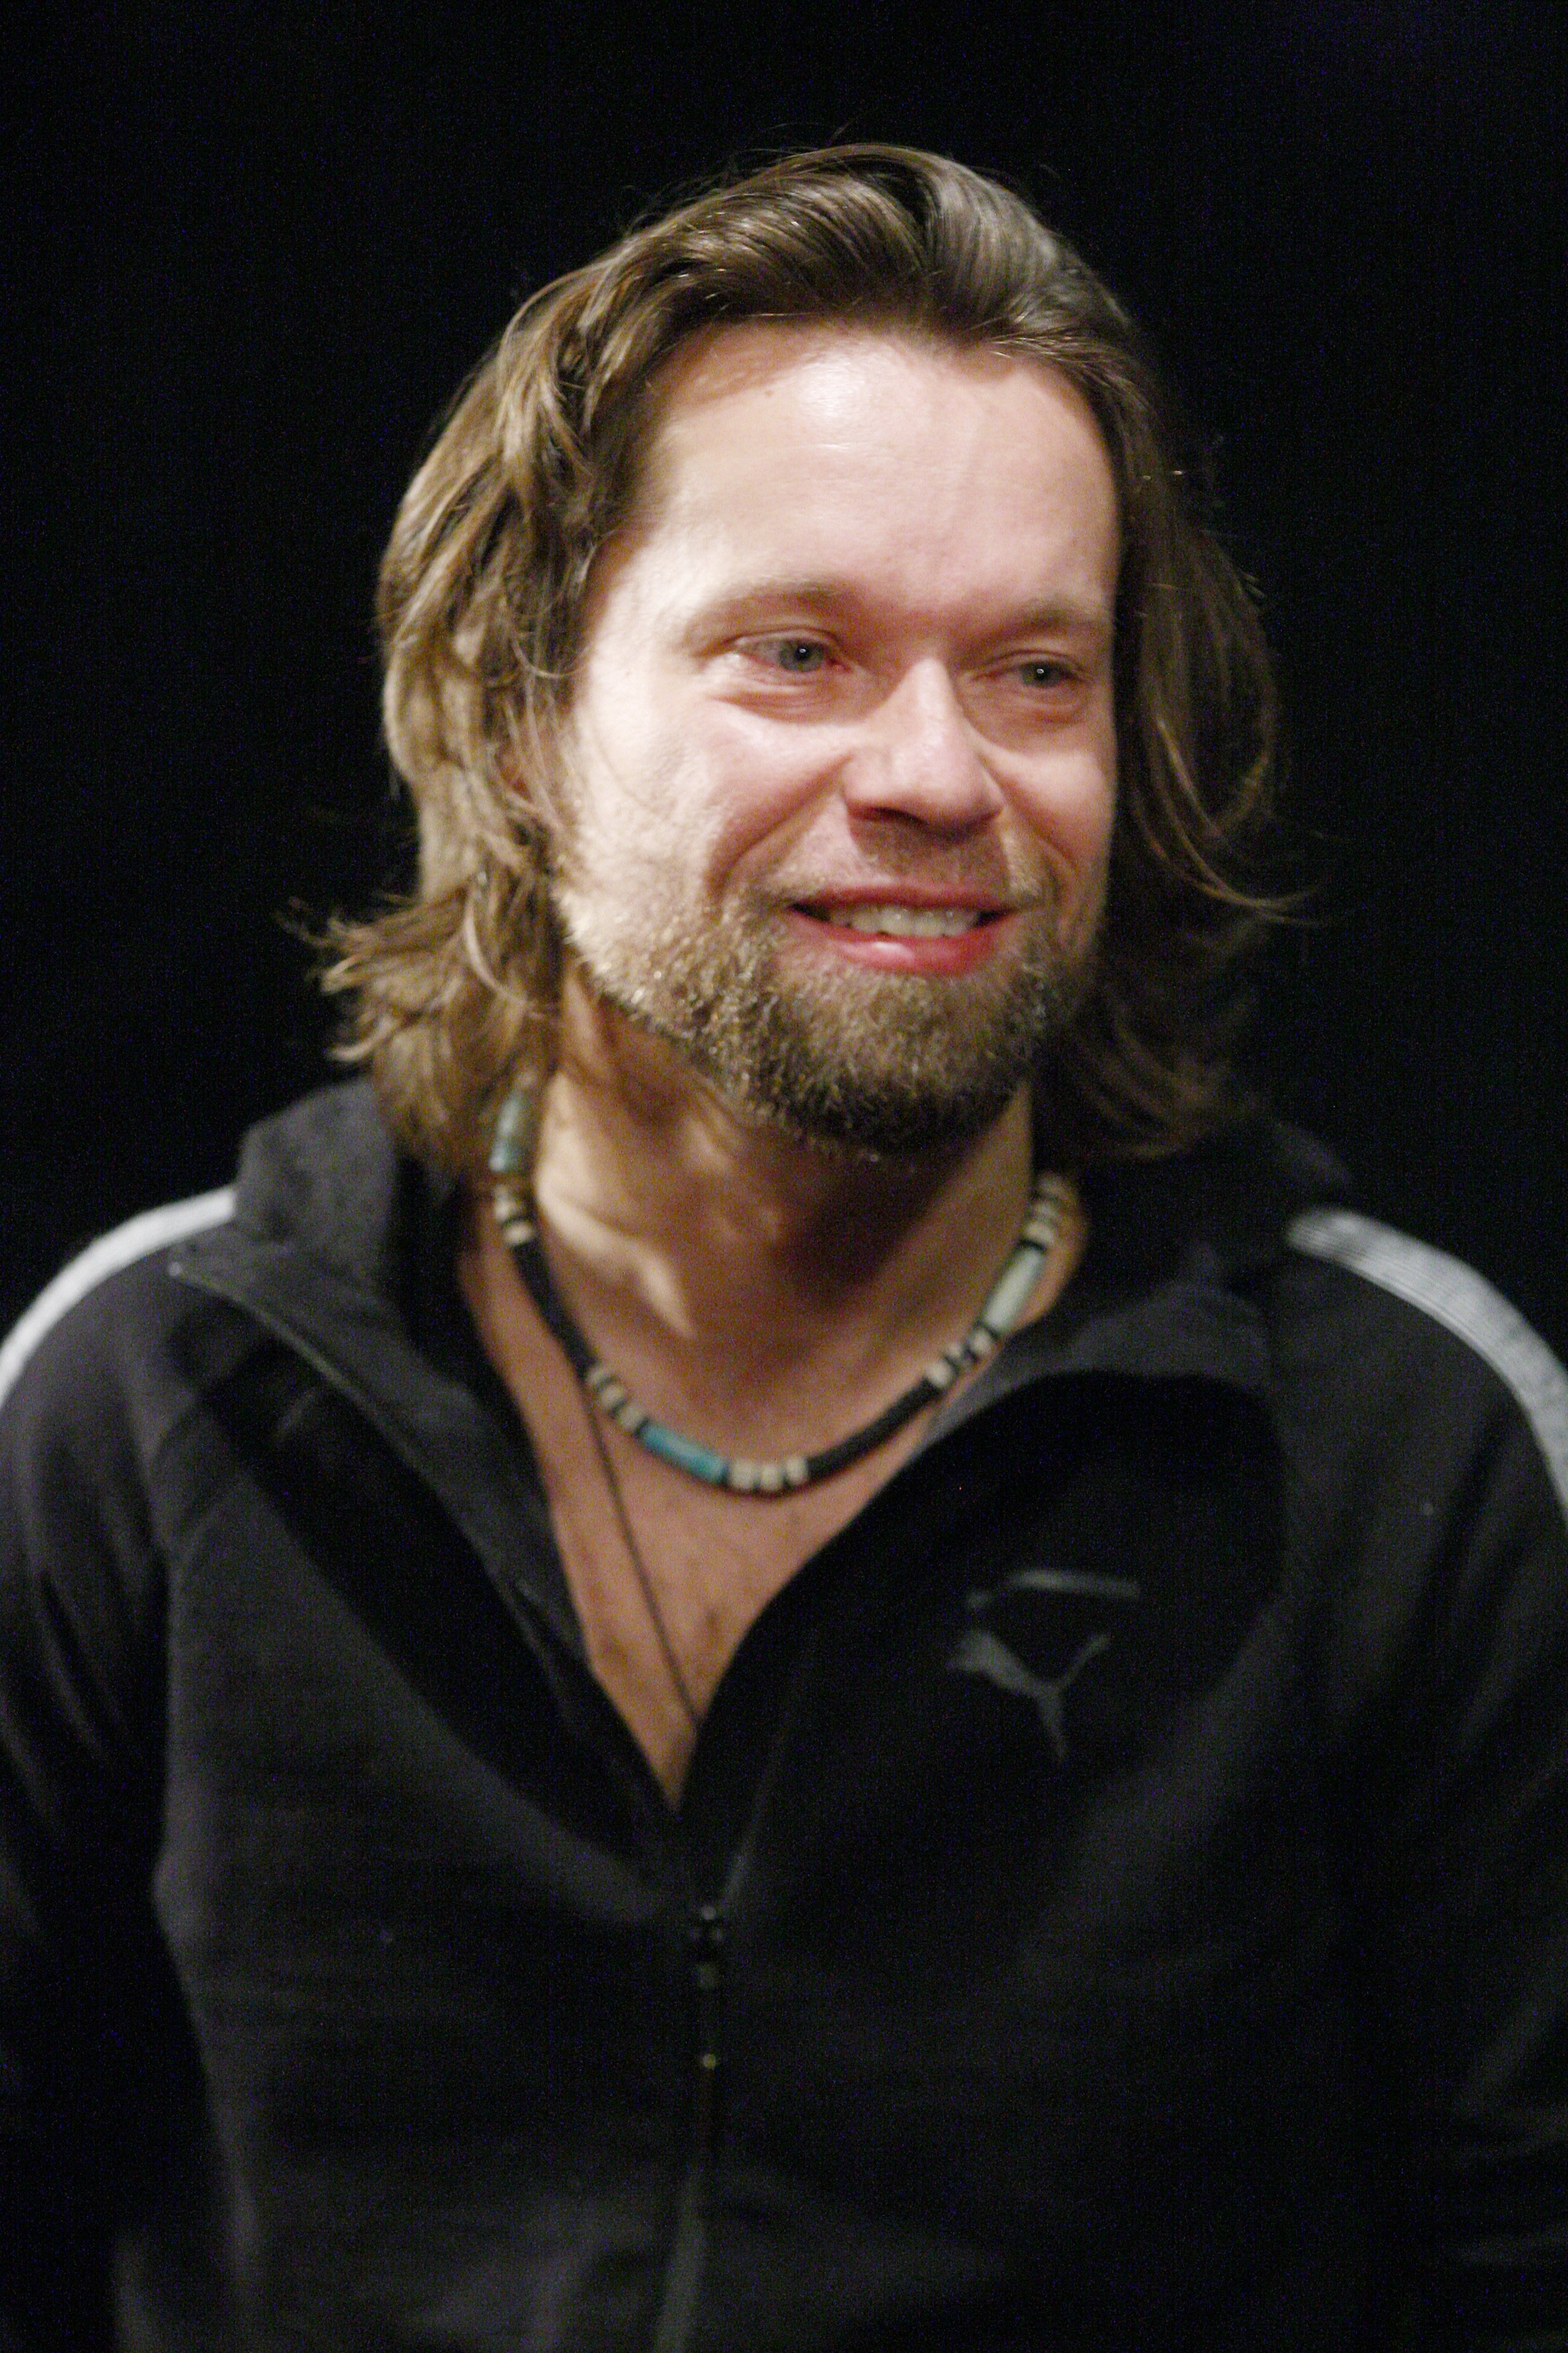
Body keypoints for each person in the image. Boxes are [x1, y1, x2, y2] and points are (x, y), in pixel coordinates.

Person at [2, 145, 1565, 2353]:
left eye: (1037, 669)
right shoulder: (153, 1393)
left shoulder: (1408, 1449)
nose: (939, 769)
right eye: (800, 652)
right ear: (521, 718)